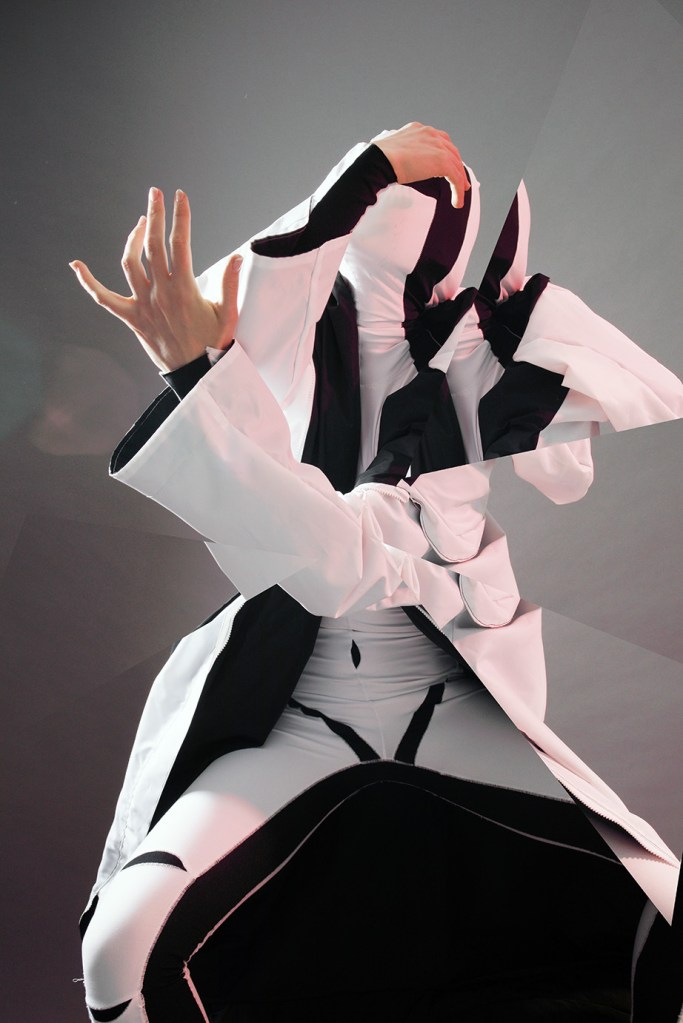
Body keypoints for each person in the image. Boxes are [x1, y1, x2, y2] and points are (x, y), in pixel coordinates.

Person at [71, 124, 682, 1022]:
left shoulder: (469, 360)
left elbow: (582, 453)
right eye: (390, 196)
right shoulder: (280, 372)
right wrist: (353, 183)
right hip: (300, 720)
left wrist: (535, 332)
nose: (429, 203)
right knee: (118, 949)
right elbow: (322, 549)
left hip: (452, 705)